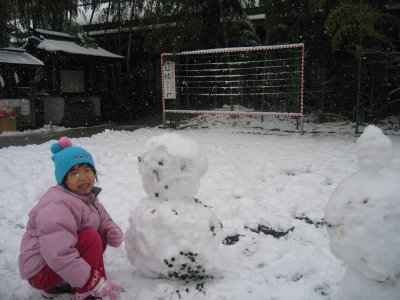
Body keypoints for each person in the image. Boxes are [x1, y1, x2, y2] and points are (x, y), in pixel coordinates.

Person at [18, 136, 124, 300]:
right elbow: (58, 253)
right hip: (40, 272)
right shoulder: (56, 206)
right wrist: (92, 282)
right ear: (64, 179)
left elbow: (103, 217)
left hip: (52, 265)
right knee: (90, 237)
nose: (82, 177)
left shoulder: (85, 197)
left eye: (87, 170)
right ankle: (87, 291)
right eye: (74, 173)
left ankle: (60, 285)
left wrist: (111, 230)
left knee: (96, 235)